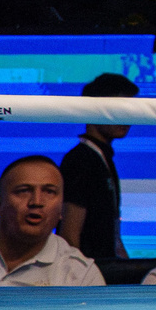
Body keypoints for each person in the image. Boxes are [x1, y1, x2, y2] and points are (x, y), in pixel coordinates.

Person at [58, 71, 135, 262]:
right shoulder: (81, 159)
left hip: (105, 272)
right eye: (118, 108)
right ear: (92, 109)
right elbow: (69, 235)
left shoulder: (101, 157)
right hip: (87, 279)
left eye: (131, 109)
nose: (127, 117)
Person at [0, 156, 106, 287]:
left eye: (49, 192)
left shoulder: (80, 274)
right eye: (24, 191)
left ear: (62, 209)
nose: (36, 202)